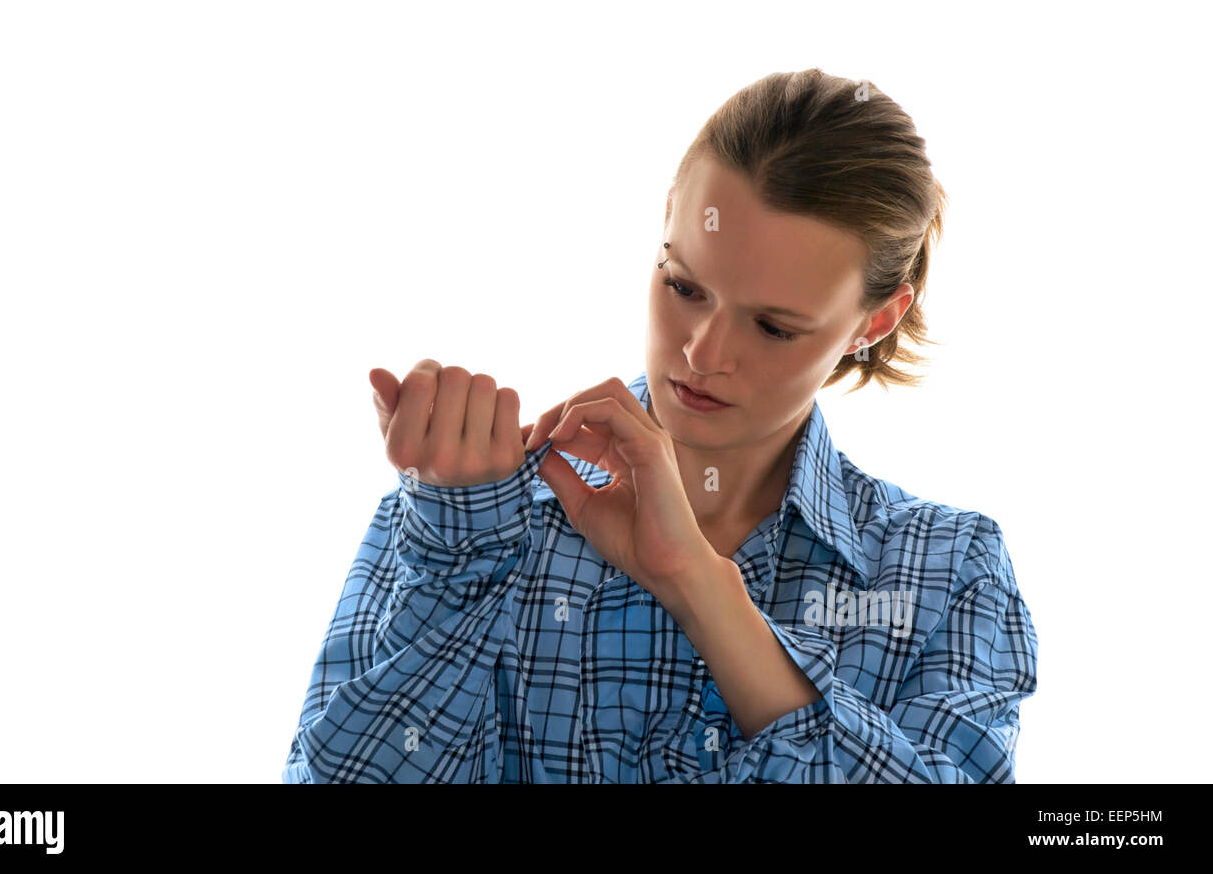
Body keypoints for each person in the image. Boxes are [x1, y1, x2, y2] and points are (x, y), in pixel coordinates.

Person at [281, 68, 1039, 783]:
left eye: (773, 327)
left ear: (875, 320)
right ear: (667, 215)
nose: (702, 353)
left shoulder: (946, 568)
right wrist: (457, 551)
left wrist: (700, 587)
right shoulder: (475, 518)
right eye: (683, 285)